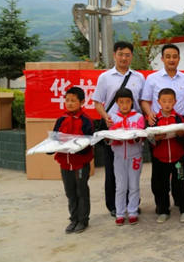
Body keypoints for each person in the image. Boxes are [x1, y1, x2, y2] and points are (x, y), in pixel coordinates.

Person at [92, 41, 145, 217]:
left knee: (133, 172)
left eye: (127, 55)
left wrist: (141, 125)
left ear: (131, 56)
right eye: (120, 54)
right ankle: (114, 206)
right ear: (114, 55)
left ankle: (132, 205)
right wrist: (106, 117)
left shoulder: (139, 77)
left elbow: (142, 102)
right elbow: (97, 102)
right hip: (113, 130)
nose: (124, 58)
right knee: (113, 171)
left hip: (133, 131)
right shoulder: (105, 77)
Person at [141, 43, 184, 211]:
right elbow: (145, 101)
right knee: (159, 169)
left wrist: (182, 122)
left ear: (179, 59)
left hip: (179, 124)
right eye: (168, 56)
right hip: (159, 125)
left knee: (179, 166)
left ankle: (180, 201)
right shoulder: (152, 78)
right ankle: (161, 205)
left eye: (174, 56)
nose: (171, 60)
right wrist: (150, 114)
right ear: (162, 59)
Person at [52, 86, 94, 234]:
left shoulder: (86, 120)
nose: (69, 103)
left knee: (81, 191)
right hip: (65, 163)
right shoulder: (61, 120)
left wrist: (77, 148)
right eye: (67, 100)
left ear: (82, 102)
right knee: (70, 192)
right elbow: (54, 139)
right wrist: (50, 149)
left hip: (80, 163)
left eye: (73, 101)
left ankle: (83, 220)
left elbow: (90, 142)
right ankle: (73, 219)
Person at [149, 88, 184, 224]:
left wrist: (180, 135)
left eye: (170, 101)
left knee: (180, 184)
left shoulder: (180, 118)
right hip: (160, 159)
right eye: (164, 101)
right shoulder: (154, 119)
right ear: (158, 102)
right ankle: (163, 211)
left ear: (175, 102)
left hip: (178, 159)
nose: (167, 104)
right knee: (161, 186)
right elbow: (149, 138)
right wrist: (157, 138)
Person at [108, 88, 145, 226]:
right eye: (121, 102)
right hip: (118, 156)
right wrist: (113, 138)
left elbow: (141, 136)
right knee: (120, 186)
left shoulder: (138, 117)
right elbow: (109, 136)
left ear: (132, 102)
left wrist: (134, 138)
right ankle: (120, 213)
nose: (124, 105)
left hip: (135, 156)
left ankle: (133, 211)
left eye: (127, 102)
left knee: (134, 185)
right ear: (117, 103)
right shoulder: (112, 117)